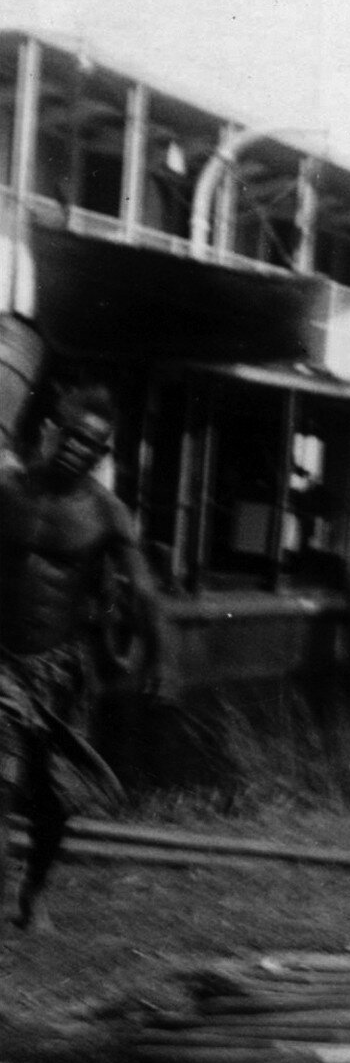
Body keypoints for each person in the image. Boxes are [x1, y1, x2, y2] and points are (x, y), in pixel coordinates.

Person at [0, 384, 162, 932]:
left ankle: (34, 890)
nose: (80, 451)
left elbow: (143, 593)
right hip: (2, 660)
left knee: (54, 798)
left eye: (95, 446)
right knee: (0, 780)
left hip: (63, 668)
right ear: (50, 430)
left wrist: (158, 660)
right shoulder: (6, 489)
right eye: (73, 437)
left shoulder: (107, 512)